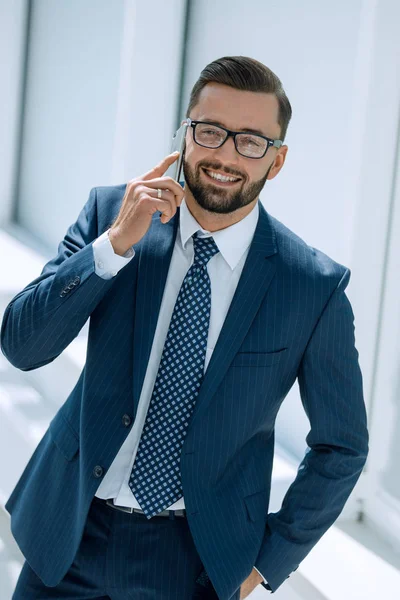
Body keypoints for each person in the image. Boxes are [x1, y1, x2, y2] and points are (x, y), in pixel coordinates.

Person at [1, 55, 369, 599]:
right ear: (185, 135)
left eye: (251, 141)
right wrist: (112, 248)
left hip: (194, 559)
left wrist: (268, 562)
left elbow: (342, 446)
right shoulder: (112, 216)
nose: (225, 155)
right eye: (212, 132)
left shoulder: (311, 286)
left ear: (278, 160)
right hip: (70, 533)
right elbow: (23, 347)